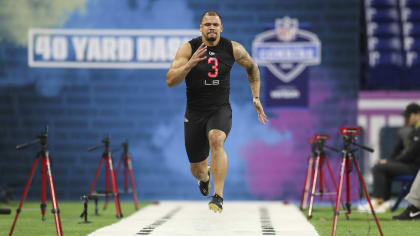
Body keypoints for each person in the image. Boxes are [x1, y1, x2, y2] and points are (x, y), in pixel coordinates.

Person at [166, 10, 268, 213]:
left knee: (216, 139)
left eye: (215, 24)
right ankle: (205, 178)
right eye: (207, 24)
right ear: (201, 28)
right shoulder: (188, 48)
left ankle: (218, 196)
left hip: (220, 109)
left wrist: (255, 97)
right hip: (195, 113)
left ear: (221, 27)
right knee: (198, 170)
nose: (211, 27)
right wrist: (190, 64)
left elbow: (252, 67)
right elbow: (170, 80)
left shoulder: (233, 48)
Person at [359, 103, 420, 213]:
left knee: (379, 168)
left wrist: (389, 161)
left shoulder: (417, 131)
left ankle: (378, 201)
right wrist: (390, 161)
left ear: (417, 114)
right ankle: (382, 203)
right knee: (382, 168)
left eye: (408, 116)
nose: (406, 119)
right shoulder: (414, 130)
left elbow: (411, 154)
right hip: (412, 165)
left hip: (415, 168)